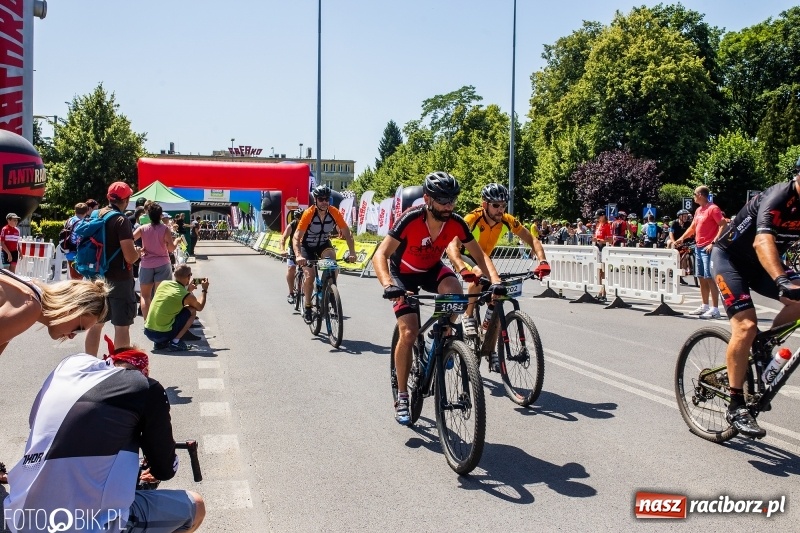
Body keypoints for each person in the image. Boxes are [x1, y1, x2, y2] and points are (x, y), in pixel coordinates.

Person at [3, 345, 205, 532]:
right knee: (196, 505)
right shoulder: (144, 387)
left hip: (18, 516)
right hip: (86, 525)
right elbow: (164, 469)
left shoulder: (68, 371)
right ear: (141, 372)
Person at [373, 171, 505, 425]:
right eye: (443, 200)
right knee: (409, 333)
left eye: (452, 200)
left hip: (432, 270)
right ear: (427, 199)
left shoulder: (456, 222)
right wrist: (389, 284)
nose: (449, 206)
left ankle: (440, 335)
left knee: (456, 293)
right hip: (403, 275)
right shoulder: (410, 219)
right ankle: (402, 395)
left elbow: (480, 256)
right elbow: (381, 255)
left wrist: (495, 282)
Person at [708, 171, 800, 438]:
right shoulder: (779, 197)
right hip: (730, 260)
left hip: (762, 265)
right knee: (746, 326)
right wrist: (781, 279)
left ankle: (766, 343)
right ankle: (736, 405)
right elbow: (762, 241)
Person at [0, 271, 109, 484]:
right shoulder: (30, 307)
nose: (70, 336)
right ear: (71, 308)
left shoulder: (30, 291)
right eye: (78, 329)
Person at [445, 183, 550, 371]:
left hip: (486, 261)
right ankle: (468, 316)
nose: (500, 210)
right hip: (464, 256)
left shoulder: (507, 220)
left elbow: (531, 239)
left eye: (503, 205)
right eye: (496, 205)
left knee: (498, 296)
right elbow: (452, 246)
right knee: (478, 274)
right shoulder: (472, 218)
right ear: (484, 204)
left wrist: (542, 261)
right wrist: (461, 267)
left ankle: (490, 347)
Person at [84, 182, 141, 356]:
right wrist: (138, 253)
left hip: (97, 277)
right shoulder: (121, 220)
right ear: (126, 199)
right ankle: (120, 368)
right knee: (122, 327)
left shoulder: (95, 214)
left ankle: (90, 363)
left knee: (95, 324)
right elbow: (130, 256)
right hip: (119, 279)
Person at [292, 184, 357, 323]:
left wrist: (352, 252)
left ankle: (330, 289)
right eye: (321, 199)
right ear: (315, 200)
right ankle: (308, 307)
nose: (324, 202)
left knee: (333, 265)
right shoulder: (308, 213)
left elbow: (347, 233)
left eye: (327, 199)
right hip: (307, 246)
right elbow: (296, 237)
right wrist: (298, 255)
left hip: (323, 244)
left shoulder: (334, 212)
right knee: (310, 275)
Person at [675, 186, 727, 319]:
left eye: (694, 194)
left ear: (700, 195)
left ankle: (715, 309)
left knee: (710, 278)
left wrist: (713, 242)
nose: (693, 196)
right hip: (698, 247)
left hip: (708, 248)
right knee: (701, 277)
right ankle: (705, 305)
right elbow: (693, 228)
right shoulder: (698, 210)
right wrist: (682, 238)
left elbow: (723, 225)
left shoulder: (713, 209)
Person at [133, 203, 181, 320]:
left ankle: (147, 322)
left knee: (145, 296)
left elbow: (129, 239)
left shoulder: (142, 228)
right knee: (161, 295)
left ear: (148, 215)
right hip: (163, 264)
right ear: (160, 215)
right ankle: (158, 322)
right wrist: (177, 242)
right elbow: (170, 249)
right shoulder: (165, 229)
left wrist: (137, 249)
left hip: (146, 264)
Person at [143, 264, 208, 351]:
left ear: (174, 275)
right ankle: (175, 342)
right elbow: (199, 307)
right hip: (163, 334)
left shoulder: (163, 284)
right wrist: (204, 290)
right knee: (192, 310)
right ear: (189, 277)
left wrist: (187, 290)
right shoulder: (185, 295)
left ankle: (160, 344)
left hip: (149, 332)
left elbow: (173, 300)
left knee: (169, 311)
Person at [280, 209, 303, 304]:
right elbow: (283, 238)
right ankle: (291, 293)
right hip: (292, 248)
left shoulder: (309, 224)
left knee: (307, 270)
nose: (301, 220)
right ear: (296, 218)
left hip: (304, 248)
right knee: (291, 269)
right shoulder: (292, 225)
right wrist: (282, 249)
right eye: (299, 218)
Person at [592, 209, 612, 300]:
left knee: (603, 271)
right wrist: (594, 239)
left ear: (603, 216)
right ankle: (600, 291)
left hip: (603, 248)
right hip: (597, 249)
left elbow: (610, 240)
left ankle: (603, 292)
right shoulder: (598, 225)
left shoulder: (607, 226)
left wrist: (600, 241)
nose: (598, 219)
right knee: (599, 271)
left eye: (599, 217)